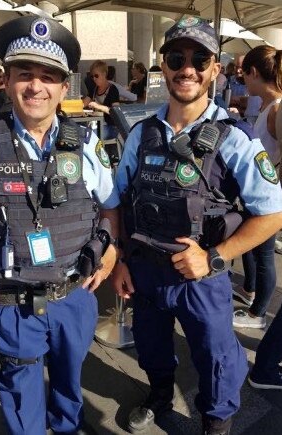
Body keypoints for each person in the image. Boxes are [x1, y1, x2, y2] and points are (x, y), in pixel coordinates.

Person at [111, 17, 282, 435]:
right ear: (163, 67)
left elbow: (274, 213)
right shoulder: (141, 134)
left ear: (215, 69)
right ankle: (159, 396)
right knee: (151, 346)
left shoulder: (234, 137)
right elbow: (114, 202)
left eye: (199, 58)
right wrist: (118, 261)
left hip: (201, 279)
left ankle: (215, 422)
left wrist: (215, 257)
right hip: (145, 271)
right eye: (176, 58)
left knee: (215, 356)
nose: (187, 68)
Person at [0, 16, 120, 435]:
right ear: (6, 81)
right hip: (14, 303)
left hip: (75, 297)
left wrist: (112, 250)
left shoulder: (85, 143)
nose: (35, 86)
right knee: (22, 393)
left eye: (49, 77)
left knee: (70, 389)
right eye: (24, 74)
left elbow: (111, 206)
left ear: (65, 88)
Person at [232, 45, 282, 329]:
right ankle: (250, 291)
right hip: (256, 193)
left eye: (243, 76)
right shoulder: (266, 105)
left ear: (253, 72)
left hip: (268, 198)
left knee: (264, 256)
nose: (243, 82)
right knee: (253, 249)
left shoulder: (277, 108)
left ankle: (258, 313)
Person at [83, 60, 120, 140]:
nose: (94, 79)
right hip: (96, 124)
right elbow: (84, 103)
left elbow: (116, 112)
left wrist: (97, 106)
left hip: (110, 127)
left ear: (104, 74)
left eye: (96, 76)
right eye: (92, 76)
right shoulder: (94, 88)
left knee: (91, 137)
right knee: (81, 132)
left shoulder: (112, 89)